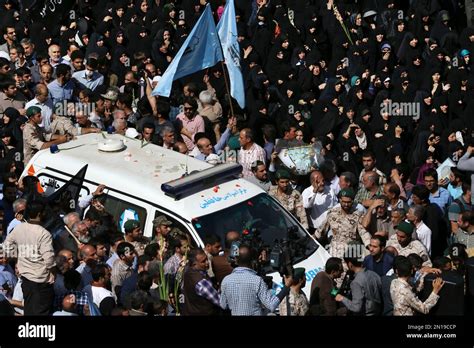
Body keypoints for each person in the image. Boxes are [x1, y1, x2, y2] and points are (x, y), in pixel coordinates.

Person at [3, 201, 55, 315]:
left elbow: (6, 246)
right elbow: (49, 260)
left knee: (30, 310)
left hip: (26, 280)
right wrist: (53, 273)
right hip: (40, 282)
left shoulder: (19, 228)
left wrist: (19, 257)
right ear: (40, 214)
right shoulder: (44, 233)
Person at [220, 244, 293, 316]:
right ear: (252, 261)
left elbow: (223, 305)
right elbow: (272, 305)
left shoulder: (226, 281)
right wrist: (286, 287)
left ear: (236, 260)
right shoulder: (257, 281)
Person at [335, 243, 382, 316]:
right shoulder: (374, 274)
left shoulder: (356, 282)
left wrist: (342, 298)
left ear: (350, 264)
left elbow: (356, 307)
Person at [182, 248, 221, 315]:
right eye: (203, 261)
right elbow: (220, 301)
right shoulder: (201, 282)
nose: (207, 262)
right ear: (194, 264)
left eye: (206, 259)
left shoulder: (187, 272)